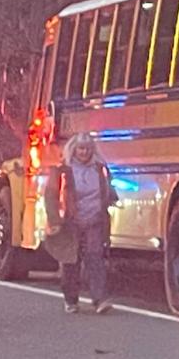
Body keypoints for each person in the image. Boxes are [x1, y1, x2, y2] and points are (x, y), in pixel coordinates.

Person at [45, 132, 118, 314]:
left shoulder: (100, 169)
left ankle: (99, 299)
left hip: (95, 220)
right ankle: (71, 299)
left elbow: (108, 188)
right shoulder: (63, 171)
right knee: (71, 261)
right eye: (80, 148)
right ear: (74, 150)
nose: (84, 152)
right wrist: (54, 219)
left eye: (87, 149)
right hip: (71, 221)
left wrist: (111, 198)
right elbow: (50, 195)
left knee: (95, 259)